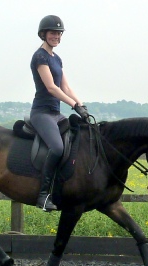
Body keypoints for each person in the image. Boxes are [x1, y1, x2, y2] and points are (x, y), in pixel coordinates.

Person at [30, 15, 89, 211]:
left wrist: (81, 106)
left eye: (59, 33)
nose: (56, 36)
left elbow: (65, 86)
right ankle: (43, 196)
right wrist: (73, 105)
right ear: (43, 34)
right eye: (53, 33)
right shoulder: (40, 57)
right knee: (56, 147)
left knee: (77, 139)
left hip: (56, 113)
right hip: (42, 113)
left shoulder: (57, 59)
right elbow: (52, 88)